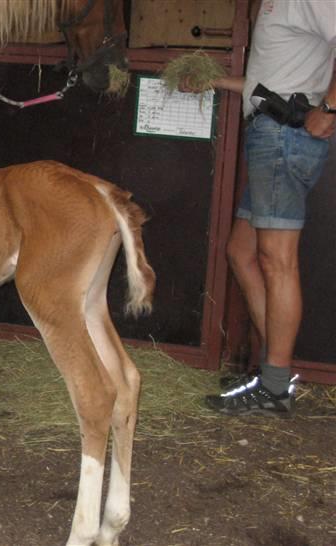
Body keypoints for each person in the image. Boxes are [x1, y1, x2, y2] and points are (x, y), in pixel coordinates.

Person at [183, 0, 335, 416]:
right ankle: (275, 373)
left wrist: (331, 108)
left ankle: (274, 386)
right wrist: (215, 82)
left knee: (276, 260)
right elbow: (269, 81)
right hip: (271, 134)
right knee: (242, 252)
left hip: (284, 139)